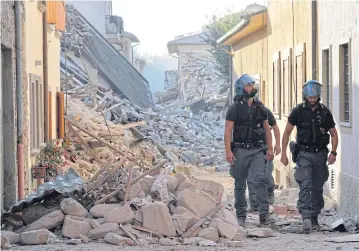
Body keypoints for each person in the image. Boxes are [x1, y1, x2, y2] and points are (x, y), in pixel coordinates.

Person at [280, 80, 338, 234]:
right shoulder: (298, 111)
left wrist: (333, 152)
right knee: (305, 185)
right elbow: (286, 132)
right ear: (305, 96)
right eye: (310, 97)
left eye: (315, 97)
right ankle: (305, 217)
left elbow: (333, 133)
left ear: (318, 96)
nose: (312, 100)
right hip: (304, 153)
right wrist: (284, 153)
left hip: (320, 154)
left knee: (317, 187)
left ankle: (314, 217)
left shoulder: (325, 112)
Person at [224, 74, 275, 227]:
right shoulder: (234, 108)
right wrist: (228, 151)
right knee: (240, 183)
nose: (252, 88)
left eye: (252, 85)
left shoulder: (260, 107)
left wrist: (270, 149)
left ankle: (264, 216)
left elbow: (267, 129)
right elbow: (228, 130)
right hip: (240, 150)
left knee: (260, 180)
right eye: (248, 85)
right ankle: (241, 215)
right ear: (241, 88)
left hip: (257, 149)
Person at [247, 102, 281, 212]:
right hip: (250, 149)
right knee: (251, 178)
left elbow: (275, 128)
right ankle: (253, 205)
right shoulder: (242, 112)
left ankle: (270, 195)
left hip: (265, 148)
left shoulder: (265, 111)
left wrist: (277, 144)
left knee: (266, 175)